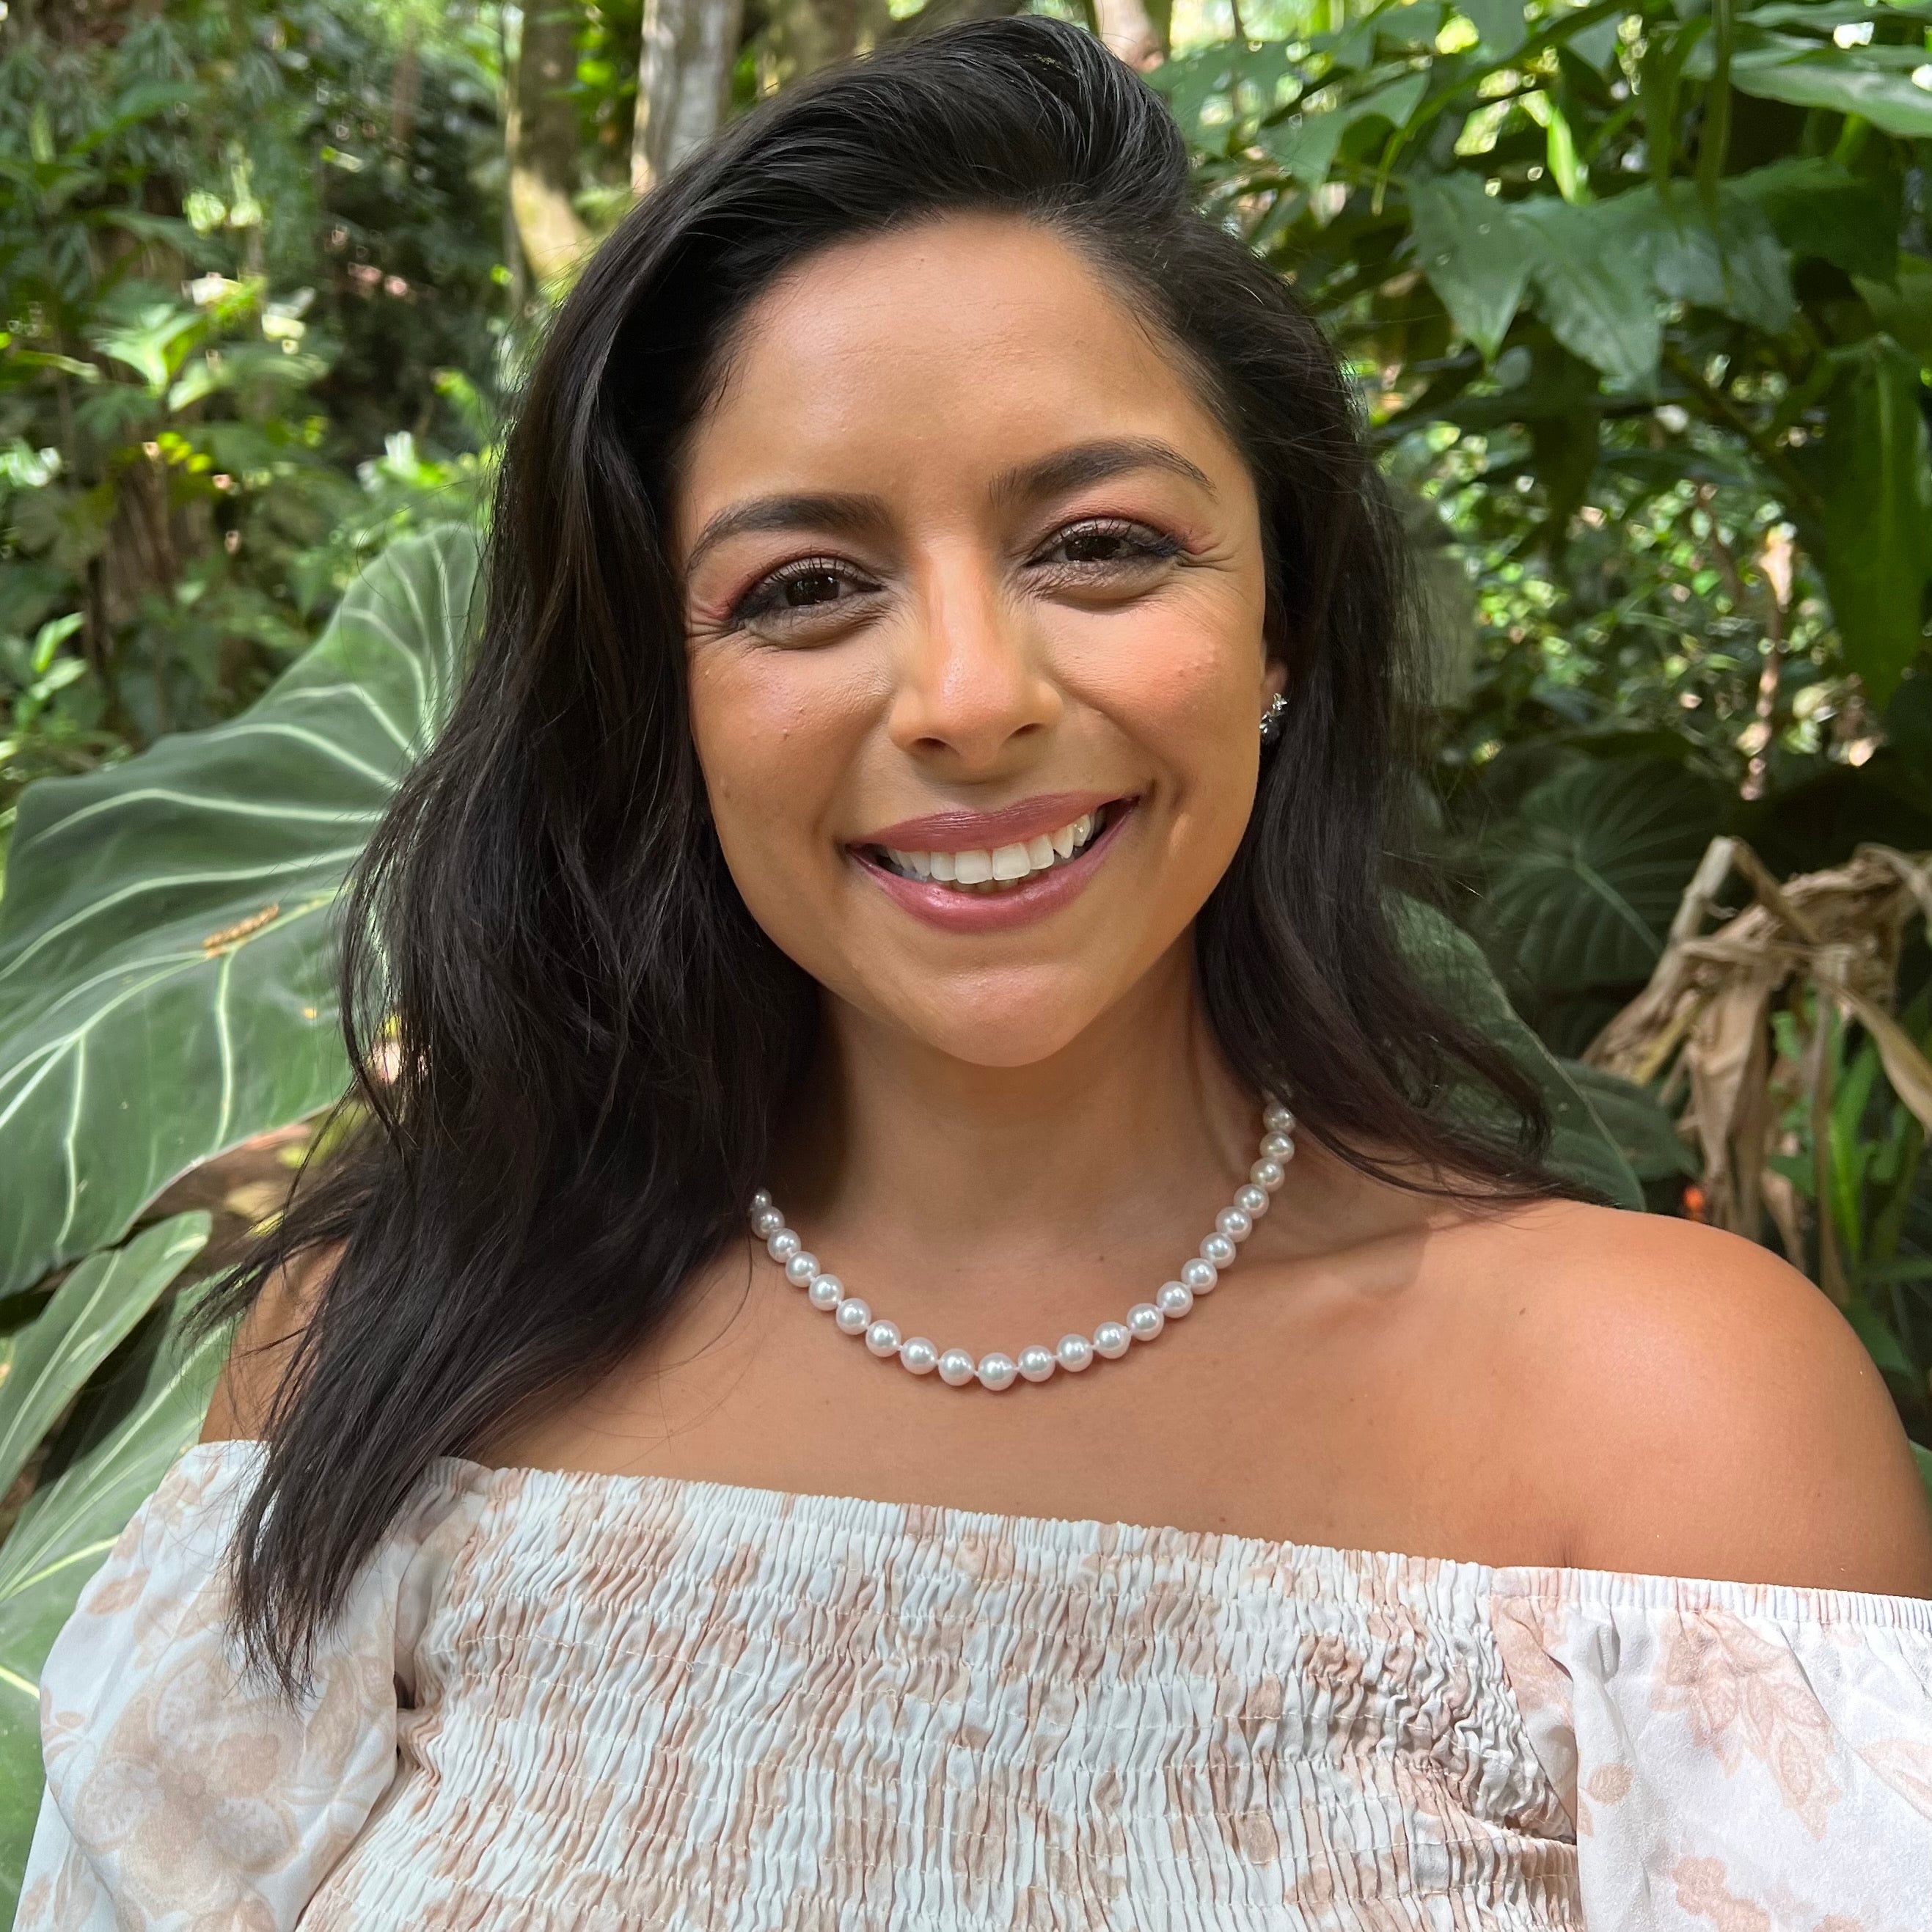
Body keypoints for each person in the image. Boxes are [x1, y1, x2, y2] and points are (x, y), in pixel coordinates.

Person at [17, 18, 1932, 1930]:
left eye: (1097, 545)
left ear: (1281, 625)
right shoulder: (386, 1347)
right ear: (660, 700)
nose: (965, 699)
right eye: (802, 586)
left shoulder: (1673, 1424)